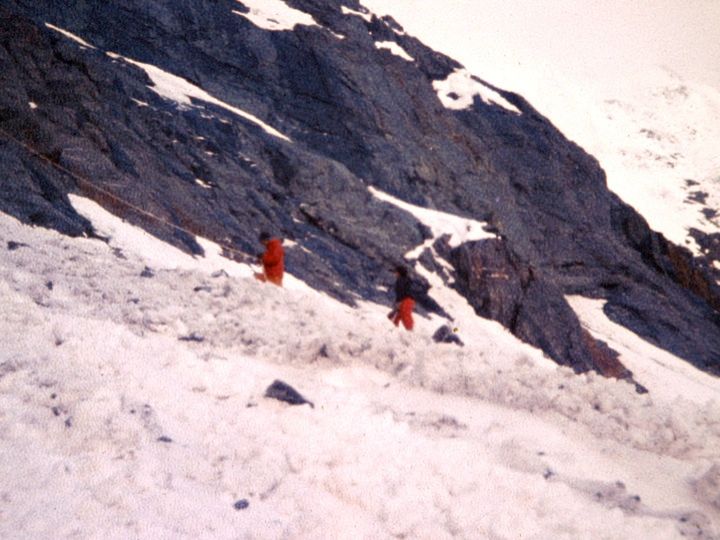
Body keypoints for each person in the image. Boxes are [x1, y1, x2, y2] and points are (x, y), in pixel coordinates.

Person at [388, 265, 416, 331]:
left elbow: (401, 291)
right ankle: (395, 330)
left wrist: (398, 303)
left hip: (405, 300)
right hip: (409, 300)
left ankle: (411, 332)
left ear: (399, 273)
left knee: (404, 315)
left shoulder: (400, 280)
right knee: (398, 315)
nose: (395, 274)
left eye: (396, 272)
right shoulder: (406, 280)